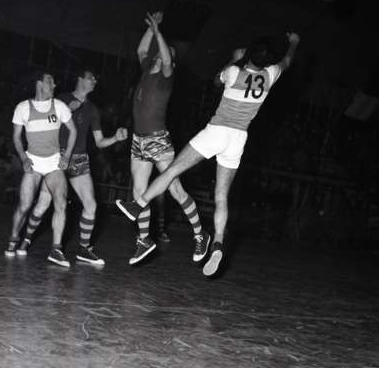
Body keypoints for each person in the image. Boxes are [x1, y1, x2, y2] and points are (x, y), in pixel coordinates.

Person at [117, 32, 301, 275]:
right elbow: (287, 61)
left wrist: (234, 59)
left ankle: (139, 204)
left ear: (248, 54)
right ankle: (218, 243)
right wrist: (293, 44)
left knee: (172, 171)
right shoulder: (271, 73)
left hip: (217, 131)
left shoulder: (234, 72)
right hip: (238, 139)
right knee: (221, 197)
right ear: (267, 60)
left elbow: (216, 80)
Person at [16, 67, 128, 265]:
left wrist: (115, 139)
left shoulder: (93, 110)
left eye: (95, 79)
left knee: (91, 205)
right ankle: (26, 239)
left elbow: (99, 141)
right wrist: (68, 110)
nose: (95, 81)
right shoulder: (61, 99)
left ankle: (84, 249)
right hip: (56, 158)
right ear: (80, 79)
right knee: (42, 205)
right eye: (91, 77)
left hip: (79, 160)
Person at [126, 11, 209, 265]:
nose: (165, 55)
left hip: (158, 140)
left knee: (175, 190)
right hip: (138, 140)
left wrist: (159, 33)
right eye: (164, 52)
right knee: (139, 191)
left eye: (169, 54)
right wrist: (151, 29)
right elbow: (141, 50)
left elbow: (166, 57)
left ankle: (200, 234)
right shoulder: (146, 69)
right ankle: (143, 240)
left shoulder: (166, 77)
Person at [4, 71, 77, 267]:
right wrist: (24, 159)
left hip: (53, 163)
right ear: (39, 84)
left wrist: (66, 157)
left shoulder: (59, 106)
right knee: (25, 205)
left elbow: (73, 131)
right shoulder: (22, 107)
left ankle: (56, 249)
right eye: (49, 81)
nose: (54, 85)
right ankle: (13, 238)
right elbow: (16, 137)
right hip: (34, 162)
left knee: (61, 203)